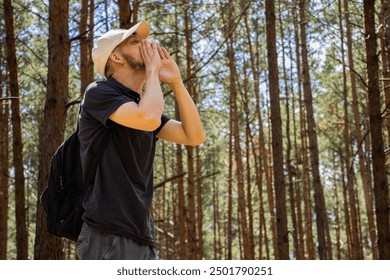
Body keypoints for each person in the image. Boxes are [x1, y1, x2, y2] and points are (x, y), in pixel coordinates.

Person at [76, 20, 205, 260]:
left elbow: (194, 136)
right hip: (107, 233)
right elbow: (148, 117)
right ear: (116, 57)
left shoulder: (140, 106)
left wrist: (176, 82)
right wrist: (154, 71)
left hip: (141, 233)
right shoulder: (99, 93)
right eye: (135, 41)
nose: (146, 44)